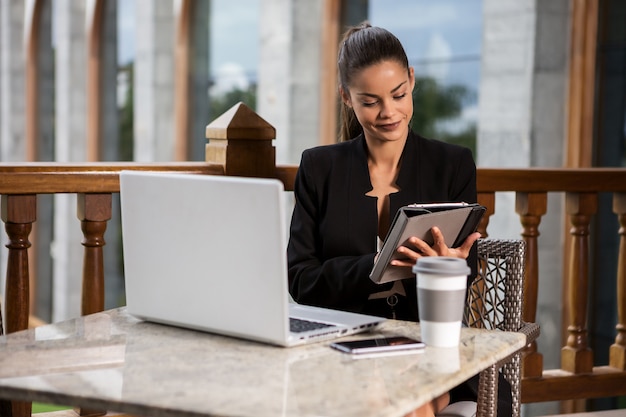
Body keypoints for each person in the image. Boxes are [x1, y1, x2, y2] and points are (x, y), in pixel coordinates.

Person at [286, 22, 512, 416]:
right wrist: (378, 265)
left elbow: (466, 260)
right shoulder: (319, 167)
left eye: (398, 94)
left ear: (412, 80)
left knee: (410, 400)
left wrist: (453, 267)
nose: (389, 112)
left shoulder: (452, 164)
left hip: (433, 343)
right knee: (404, 403)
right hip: (346, 346)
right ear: (346, 97)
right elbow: (302, 281)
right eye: (370, 101)